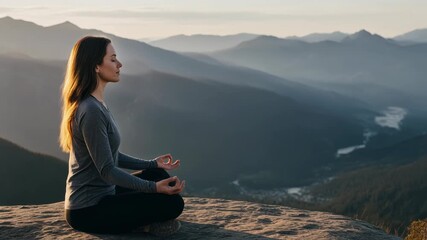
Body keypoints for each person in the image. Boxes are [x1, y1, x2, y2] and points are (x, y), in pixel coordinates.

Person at [59, 36, 185, 236]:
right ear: (96, 67)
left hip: (105, 194)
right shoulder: (90, 110)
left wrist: (152, 164)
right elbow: (107, 170)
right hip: (88, 209)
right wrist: (152, 189)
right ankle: (141, 225)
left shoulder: (96, 104)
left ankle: (138, 218)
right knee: (172, 203)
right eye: (113, 59)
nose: (119, 64)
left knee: (159, 176)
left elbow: (111, 155)